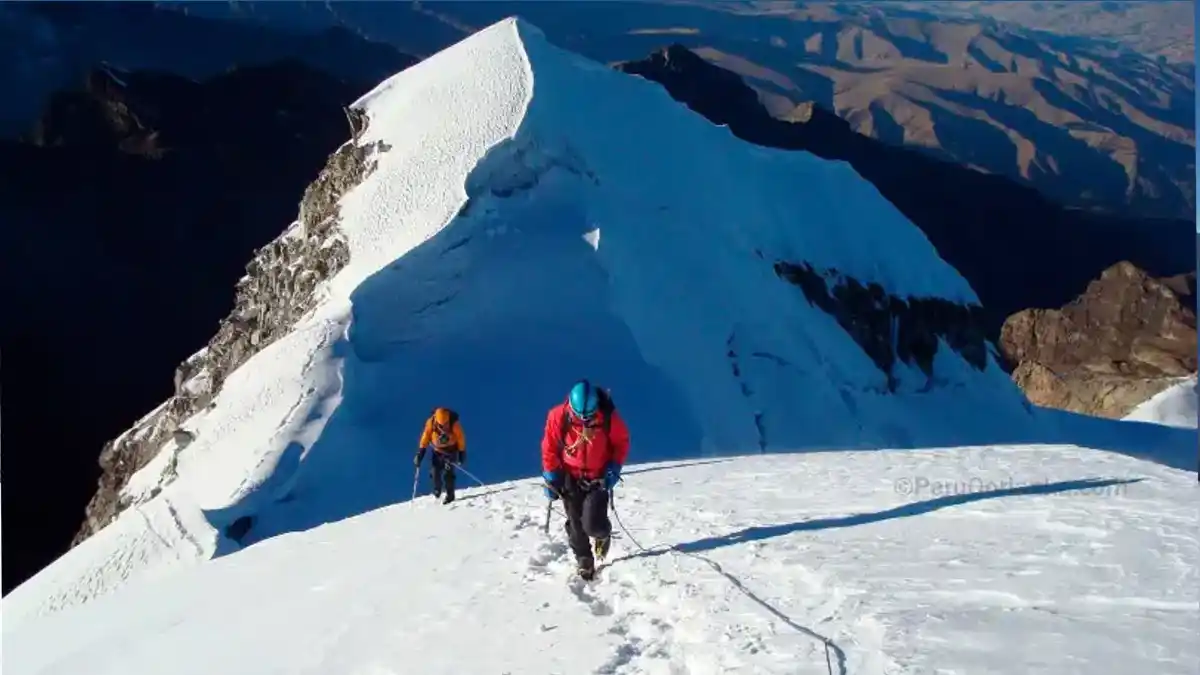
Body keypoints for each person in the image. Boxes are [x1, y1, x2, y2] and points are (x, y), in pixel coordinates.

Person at [540, 379, 630, 580]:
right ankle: (584, 559)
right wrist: (551, 475)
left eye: (588, 416)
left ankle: (602, 534)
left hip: (598, 477)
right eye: (578, 416)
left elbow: (621, 442)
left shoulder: (609, 418)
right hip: (570, 475)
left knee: (592, 524)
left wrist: (614, 468)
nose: (583, 420)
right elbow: (549, 447)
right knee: (575, 522)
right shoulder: (558, 416)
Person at [415, 407, 467, 504]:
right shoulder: (431, 423)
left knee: (448, 474)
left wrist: (461, 453)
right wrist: (420, 453)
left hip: (451, 452)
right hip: (437, 452)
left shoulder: (454, 424)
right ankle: (437, 489)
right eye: (440, 425)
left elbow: (460, 438)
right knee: (435, 472)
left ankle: (450, 495)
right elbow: (425, 437)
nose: (443, 427)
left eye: (445, 424)